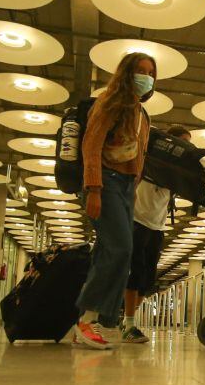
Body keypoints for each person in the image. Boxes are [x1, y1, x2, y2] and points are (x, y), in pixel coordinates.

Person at [72, 52, 156, 350]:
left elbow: (139, 154)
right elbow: (91, 144)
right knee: (121, 248)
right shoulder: (109, 103)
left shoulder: (142, 114)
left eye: (150, 72)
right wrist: (93, 188)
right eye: (140, 70)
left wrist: (132, 187)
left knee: (113, 250)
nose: (146, 77)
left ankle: (91, 320)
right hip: (104, 182)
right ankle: (87, 320)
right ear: (126, 74)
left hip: (124, 188)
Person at [120, 125, 192, 344]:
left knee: (148, 278)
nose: (188, 148)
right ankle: (129, 323)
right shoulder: (149, 160)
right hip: (137, 220)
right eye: (184, 142)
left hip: (157, 227)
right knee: (136, 271)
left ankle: (127, 319)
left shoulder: (175, 173)